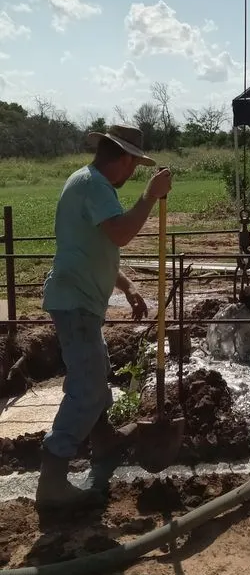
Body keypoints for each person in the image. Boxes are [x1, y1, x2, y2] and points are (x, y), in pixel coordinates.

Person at [36, 124, 172, 510]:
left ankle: (103, 439)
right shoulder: (95, 185)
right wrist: (150, 195)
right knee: (88, 385)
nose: (134, 173)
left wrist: (126, 285)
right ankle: (52, 480)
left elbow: (94, 246)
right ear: (125, 158)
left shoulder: (86, 181)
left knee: (95, 371)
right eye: (135, 165)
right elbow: (122, 233)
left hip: (77, 299)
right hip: (75, 302)